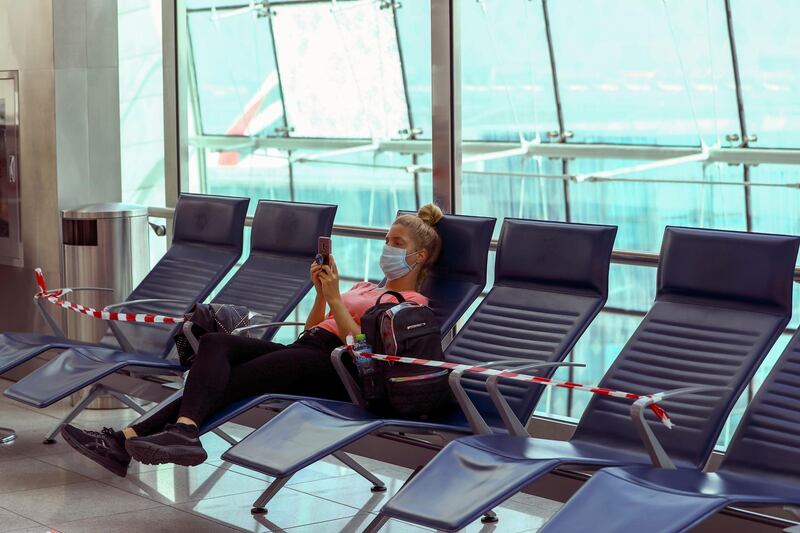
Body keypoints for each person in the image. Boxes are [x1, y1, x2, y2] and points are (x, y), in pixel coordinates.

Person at [60, 204, 444, 477]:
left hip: (338, 369)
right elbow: (314, 328)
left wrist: (332, 298)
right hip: (307, 350)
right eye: (387, 239)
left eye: (396, 242)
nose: (387, 248)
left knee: (224, 380)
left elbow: (361, 350)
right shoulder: (363, 286)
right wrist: (320, 293)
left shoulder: (411, 305)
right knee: (214, 345)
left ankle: (138, 439)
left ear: (419, 254)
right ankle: (176, 432)